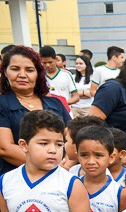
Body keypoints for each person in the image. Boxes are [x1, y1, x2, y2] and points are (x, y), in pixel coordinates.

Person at [0, 46, 72, 177]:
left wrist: (67, 163)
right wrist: (50, 167)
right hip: (16, 179)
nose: (22, 75)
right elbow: (5, 148)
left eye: (29, 70)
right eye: (15, 69)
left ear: (38, 73)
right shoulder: (2, 104)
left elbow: (71, 137)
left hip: (60, 176)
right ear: (5, 72)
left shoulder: (55, 103)